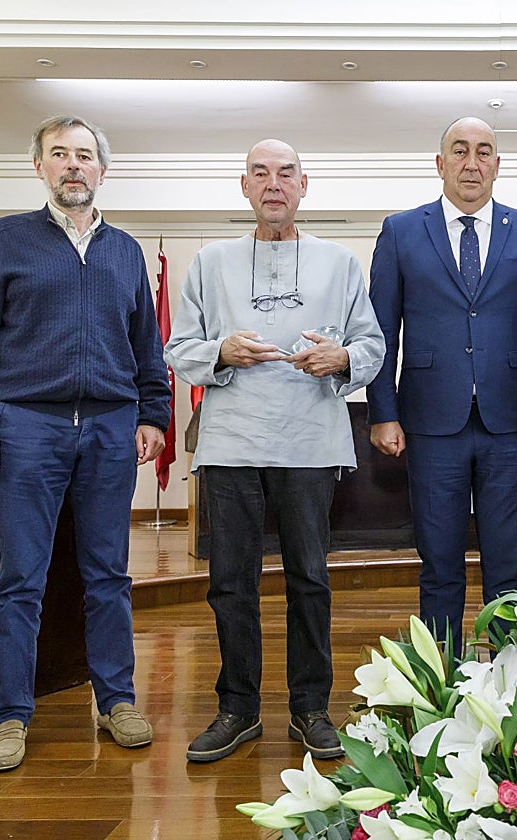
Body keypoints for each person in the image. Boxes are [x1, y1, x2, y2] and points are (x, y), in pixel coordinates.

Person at [0, 115, 171, 772]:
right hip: (25, 427)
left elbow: (145, 347)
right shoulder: (7, 239)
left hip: (109, 427)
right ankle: (10, 715)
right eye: (59, 154)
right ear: (40, 167)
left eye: (85, 155)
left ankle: (117, 699)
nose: (74, 165)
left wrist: (152, 413)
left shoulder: (125, 251)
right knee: (20, 579)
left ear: (102, 170)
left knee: (109, 575)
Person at [164, 139, 384, 763]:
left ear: (304, 185)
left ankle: (310, 708)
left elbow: (370, 345)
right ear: (244, 187)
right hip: (231, 442)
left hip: (310, 440)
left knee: (309, 579)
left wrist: (340, 358)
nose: (273, 184)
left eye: (285, 173)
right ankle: (237, 709)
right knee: (230, 582)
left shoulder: (340, 263)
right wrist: (219, 354)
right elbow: (178, 348)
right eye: (261, 173)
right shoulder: (209, 262)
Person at [366, 116, 517, 654]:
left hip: (511, 421)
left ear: (498, 163)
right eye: (460, 151)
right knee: (440, 563)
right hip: (429, 422)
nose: (472, 162)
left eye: (484, 151)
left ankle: (508, 690)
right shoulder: (401, 231)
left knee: (507, 567)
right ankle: (440, 686)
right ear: (440, 162)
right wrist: (383, 410)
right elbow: (383, 330)